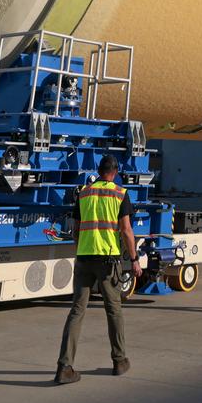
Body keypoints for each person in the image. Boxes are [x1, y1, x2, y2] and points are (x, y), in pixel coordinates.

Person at [55, 156, 138, 384]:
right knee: (113, 310)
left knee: (76, 311)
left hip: (84, 257)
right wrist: (134, 259)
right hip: (108, 260)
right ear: (116, 171)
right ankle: (119, 361)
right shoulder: (120, 193)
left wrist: (80, 252)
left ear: (99, 171)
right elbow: (127, 230)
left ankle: (64, 367)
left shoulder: (84, 192)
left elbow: (76, 230)